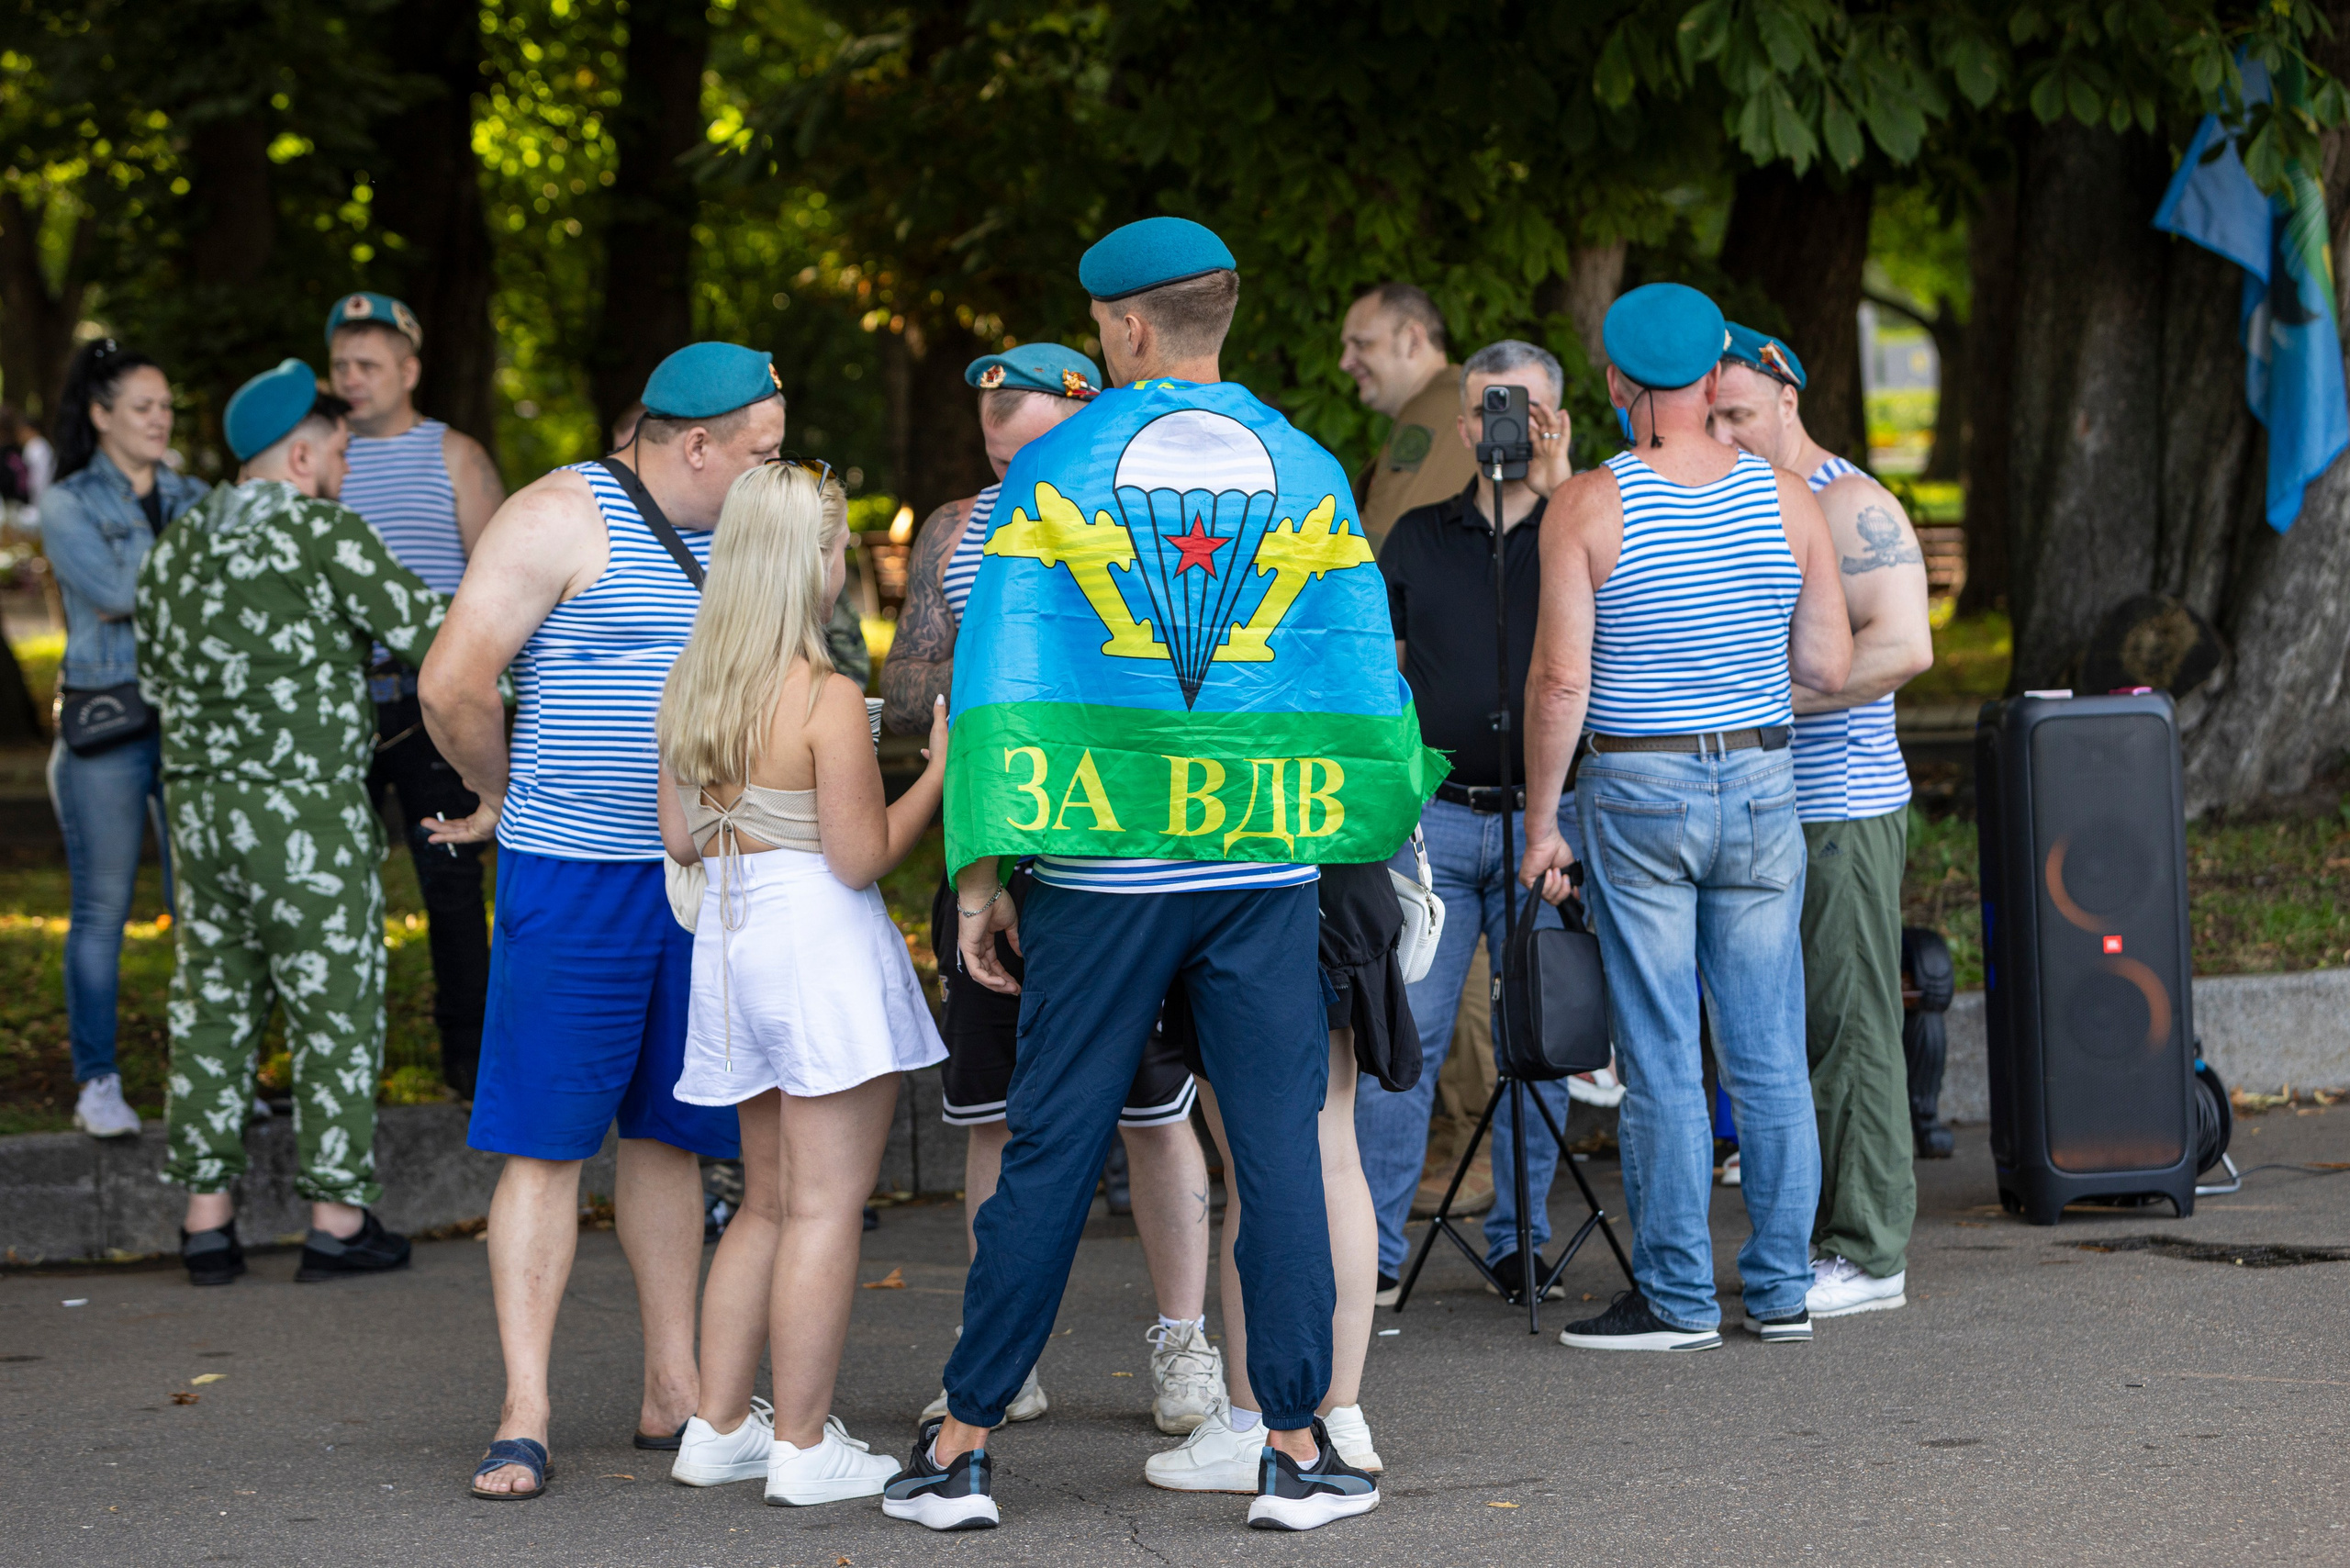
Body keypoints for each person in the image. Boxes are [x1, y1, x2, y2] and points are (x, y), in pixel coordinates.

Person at [886, 217, 1431, 1535]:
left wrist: (982, 873)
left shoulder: (1054, 467)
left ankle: (962, 1445)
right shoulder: (1305, 468)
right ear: (1218, 315)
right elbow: (1364, 673)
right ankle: (1299, 1447)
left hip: (1099, 869)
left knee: (1054, 1150)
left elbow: (1001, 676)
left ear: (1125, 328)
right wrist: (1352, 841)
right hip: (1264, 860)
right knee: (1285, 1150)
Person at [420, 342, 783, 1501]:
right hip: (575, 873)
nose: (775, 468)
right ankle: (524, 1412)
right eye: (761, 451)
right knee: (544, 1142)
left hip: (700, 878)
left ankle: (671, 1390)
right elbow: (451, 682)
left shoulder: (746, 530)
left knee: (671, 1135)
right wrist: (502, 793)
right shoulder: (556, 517)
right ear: (695, 444)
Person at [880, 342, 1224, 1437]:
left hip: (1120, 857)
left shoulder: (1145, 509)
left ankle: (1184, 1345)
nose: (1001, 444)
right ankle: (1004, 1355)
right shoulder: (953, 528)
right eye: (988, 428)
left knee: (1153, 1111)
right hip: (992, 842)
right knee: (994, 1113)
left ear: (1087, 410)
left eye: (1022, 426)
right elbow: (909, 703)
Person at [1517, 283, 1852, 1351]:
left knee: (1661, 1047)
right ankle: (1782, 1286)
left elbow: (1560, 683)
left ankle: (1674, 1298)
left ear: (1617, 385)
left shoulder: (1585, 503)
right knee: (1767, 1046)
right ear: (1715, 377)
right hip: (1760, 785)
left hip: (1638, 792)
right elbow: (1828, 664)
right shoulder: (1789, 500)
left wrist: (1539, 823)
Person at [656, 463, 947, 1503]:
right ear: (808, 564)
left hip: (732, 951)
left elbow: (680, 837)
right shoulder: (823, 694)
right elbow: (859, 856)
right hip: (817, 948)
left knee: (765, 1205)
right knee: (825, 1208)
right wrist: (938, 775)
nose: (843, 566)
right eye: (836, 549)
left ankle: (720, 1424)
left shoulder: (690, 685)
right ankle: (806, 1444)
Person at [137, 359, 447, 1287]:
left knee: (211, 1004)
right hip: (302, 809)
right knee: (334, 1005)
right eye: (343, 453)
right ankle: (336, 1219)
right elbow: (437, 634)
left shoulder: (175, 547)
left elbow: (153, 678)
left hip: (198, 808)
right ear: (302, 455)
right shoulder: (322, 531)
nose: (348, 469)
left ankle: (205, 1222)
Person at [1355, 339, 1600, 1308]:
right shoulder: (1413, 537)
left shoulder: (1581, 525)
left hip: (1551, 822)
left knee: (1537, 1038)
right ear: (1461, 427)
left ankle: (1518, 1240)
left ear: (1557, 420)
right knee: (1404, 1043)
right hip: (1440, 824)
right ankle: (1369, 1249)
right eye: (1492, 410)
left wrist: (1562, 477)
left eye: (1528, 410)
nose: (1506, 427)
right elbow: (1384, 678)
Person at [1710, 324, 1934, 1318]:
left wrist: (1766, 698)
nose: (1723, 432)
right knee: (1783, 1032)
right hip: (1760, 808)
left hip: (1839, 809)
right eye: (1708, 416)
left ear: (1787, 401)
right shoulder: (1734, 501)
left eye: (1739, 415)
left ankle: (1870, 1253)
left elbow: (1907, 646)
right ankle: (1815, 1233)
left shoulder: (1848, 502)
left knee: (1849, 1028)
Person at [326, 293, 507, 1098]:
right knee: (327, 878)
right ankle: (338, 1062)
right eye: (340, 366)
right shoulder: (316, 456)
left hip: (431, 704)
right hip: (334, 705)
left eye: (368, 365)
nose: (351, 380)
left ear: (409, 369)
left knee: (451, 876)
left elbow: (501, 584)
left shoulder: (457, 455)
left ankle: (469, 1062)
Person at [40, 341, 207, 1139]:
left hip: (189, 720)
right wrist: (192, 571)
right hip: (106, 725)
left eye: (166, 406)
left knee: (200, 906)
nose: (158, 419)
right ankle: (97, 1081)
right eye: (142, 407)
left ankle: (208, 1075)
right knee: (102, 908)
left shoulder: (193, 491)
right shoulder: (68, 500)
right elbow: (108, 594)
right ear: (101, 414)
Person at [1337, 283, 1478, 552]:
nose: (1345, 362)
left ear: (1413, 340)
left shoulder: (1434, 408)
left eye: (1361, 344)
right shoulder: (1457, 400)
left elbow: (1376, 549)